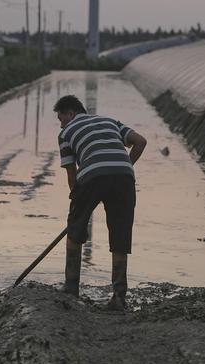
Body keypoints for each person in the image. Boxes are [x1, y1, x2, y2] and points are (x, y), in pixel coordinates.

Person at [54, 95, 147, 310]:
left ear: (70, 113)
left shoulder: (65, 133)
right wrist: (125, 165)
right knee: (120, 234)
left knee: (75, 232)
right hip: (124, 177)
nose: (61, 124)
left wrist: (78, 205)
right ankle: (119, 297)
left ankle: (70, 289)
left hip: (91, 176)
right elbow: (140, 142)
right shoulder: (110, 121)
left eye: (61, 119)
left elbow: (72, 176)